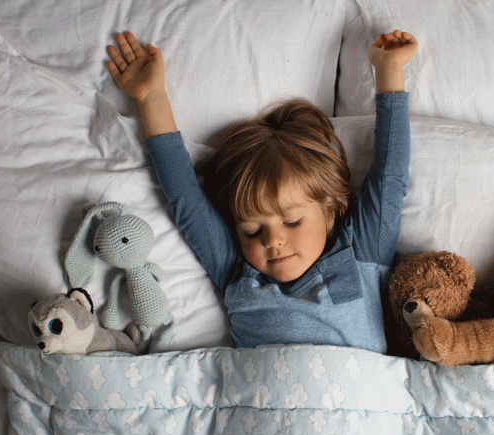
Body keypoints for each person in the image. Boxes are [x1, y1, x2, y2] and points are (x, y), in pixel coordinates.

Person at [106, 30, 418, 353]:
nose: (272, 241)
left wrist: (389, 70)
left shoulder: (362, 254)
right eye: (252, 230)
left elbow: (389, 177)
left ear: (329, 210)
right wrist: (151, 98)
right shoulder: (237, 274)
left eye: (293, 221)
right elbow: (187, 201)